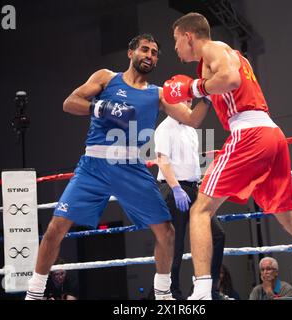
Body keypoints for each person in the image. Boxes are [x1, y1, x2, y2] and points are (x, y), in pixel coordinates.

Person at [163, 12, 292, 300]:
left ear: (188, 36)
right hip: (271, 134)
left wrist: (192, 88)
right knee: (291, 220)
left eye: (176, 40)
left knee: (200, 210)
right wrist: (181, 93)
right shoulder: (218, 61)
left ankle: (203, 292)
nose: (175, 48)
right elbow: (194, 118)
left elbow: (228, 81)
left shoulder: (215, 50)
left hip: (249, 133)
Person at [25, 33, 210, 300]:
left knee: (167, 233)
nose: (149, 55)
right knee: (56, 227)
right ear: (131, 53)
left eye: (155, 53)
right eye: (145, 49)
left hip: (131, 167)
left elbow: (192, 120)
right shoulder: (105, 77)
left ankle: (162, 295)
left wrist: (208, 95)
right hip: (94, 165)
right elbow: (69, 103)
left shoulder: (158, 94)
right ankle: (34, 292)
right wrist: (102, 108)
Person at [154, 100, 226, 300]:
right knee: (174, 245)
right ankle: (172, 294)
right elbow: (163, 160)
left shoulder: (191, 129)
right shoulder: (165, 128)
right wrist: (176, 188)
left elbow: (191, 162)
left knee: (217, 235)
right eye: (182, 100)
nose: (187, 103)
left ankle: (208, 291)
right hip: (172, 189)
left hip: (194, 189)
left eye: (189, 100)